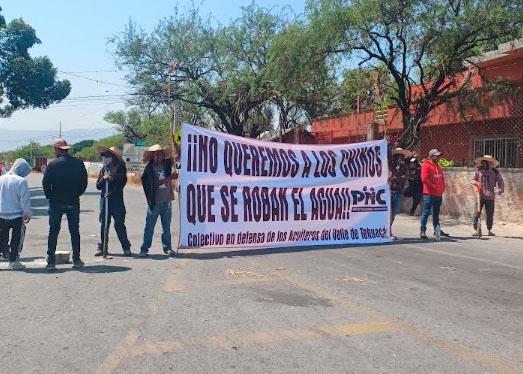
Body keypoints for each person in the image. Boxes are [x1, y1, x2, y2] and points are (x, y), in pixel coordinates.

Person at [42, 139, 88, 270]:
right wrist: (76, 194)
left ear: (57, 149)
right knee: (74, 231)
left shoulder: (53, 164)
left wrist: (50, 196)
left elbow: (46, 183)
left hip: (56, 202)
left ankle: (51, 261)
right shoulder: (78, 163)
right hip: (73, 201)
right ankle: (77, 259)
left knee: (53, 231)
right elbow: (84, 183)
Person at [139, 144, 176, 257]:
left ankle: (167, 248)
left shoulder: (167, 164)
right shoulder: (149, 169)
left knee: (166, 227)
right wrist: (170, 178)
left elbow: (179, 156)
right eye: (156, 154)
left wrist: (175, 143)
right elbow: (154, 183)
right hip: (154, 202)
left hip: (167, 200)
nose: (158, 156)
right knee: (149, 226)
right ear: (153, 156)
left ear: (163, 155)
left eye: (160, 154)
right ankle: (144, 249)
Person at [95, 146, 132, 256]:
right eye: (104, 156)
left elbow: (120, 186)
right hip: (104, 200)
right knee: (104, 224)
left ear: (113, 158)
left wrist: (112, 180)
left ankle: (126, 247)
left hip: (116, 201)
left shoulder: (120, 169)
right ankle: (103, 247)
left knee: (119, 224)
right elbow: (98, 186)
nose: (105, 158)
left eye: (107, 156)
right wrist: (103, 179)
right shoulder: (103, 170)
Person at [0, 159, 32, 270]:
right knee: (16, 239)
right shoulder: (21, 181)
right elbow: (25, 200)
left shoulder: (1, 179)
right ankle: (13, 261)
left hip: (1, 214)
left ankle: (4, 254)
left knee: (2, 237)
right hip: (17, 215)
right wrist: (27, 213)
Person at [420, 149, 449, 240]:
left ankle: (437, 229)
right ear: (432, 156)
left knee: (436, 213)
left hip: (438, 194)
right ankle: (423, 230)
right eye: (436, 156)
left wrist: (442, 188)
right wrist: (433, 186)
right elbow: (424, 179)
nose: (438, 157)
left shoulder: (439, 167)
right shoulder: (426, 165)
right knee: (426, 212)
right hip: (429, 193)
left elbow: (442, 179)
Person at [472, 155, 504, 236]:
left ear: (490, 163)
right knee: (477, 213)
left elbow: (500, 181)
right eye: (484, 161)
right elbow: (473, 179)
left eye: (487, 162)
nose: (485, 163)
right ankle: (475, 230)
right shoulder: (479, 170)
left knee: (490, 214)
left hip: (490, 196)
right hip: (480, 196)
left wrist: (500, 189)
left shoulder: (495, 172)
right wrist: (475, 183)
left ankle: (489, 230)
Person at [389, 148, 411, 239]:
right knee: (388, 213)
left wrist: (395, 179)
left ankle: (389, 229)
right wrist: (395, 178)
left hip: (399, 192)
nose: (400, 158)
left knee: (393, 213)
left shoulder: (405, 167)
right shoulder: (390, 166)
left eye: (401, 156)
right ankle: (387, 231)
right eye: (397, 156)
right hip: (389, 192)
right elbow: (389, 176)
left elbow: (405, 177)